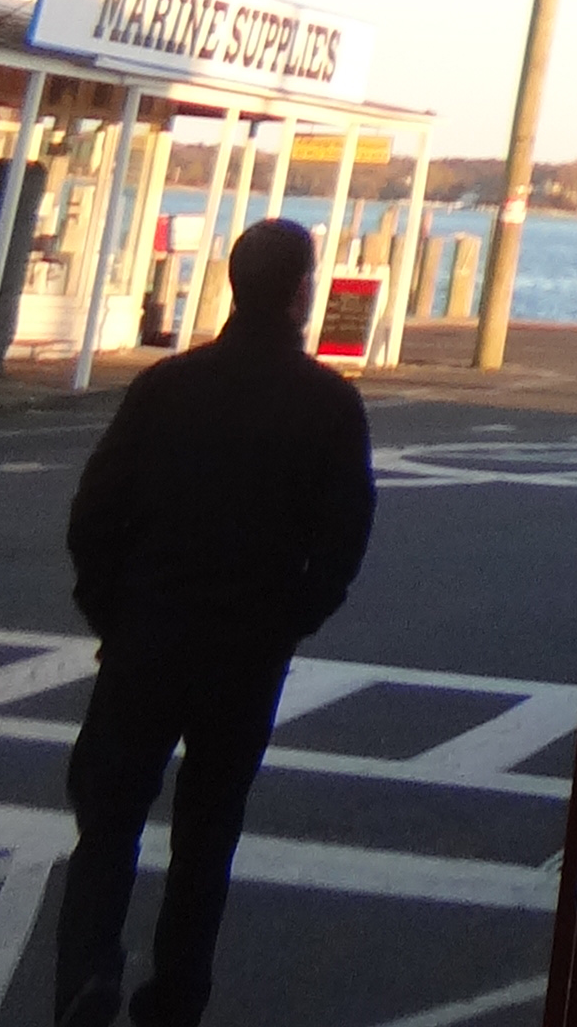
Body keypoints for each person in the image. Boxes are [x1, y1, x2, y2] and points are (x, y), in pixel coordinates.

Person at [55, 214, 375, 1027]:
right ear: (303, 292)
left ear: (234, 283)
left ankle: (88, 969)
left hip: (149, 635)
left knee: (109, 819)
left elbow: (95, 511)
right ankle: (177, 995)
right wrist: (294, 617)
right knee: (207, 834)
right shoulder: (329, 406)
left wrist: (111, 606)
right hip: (247, 651)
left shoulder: (166, 387)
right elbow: (344, 539)